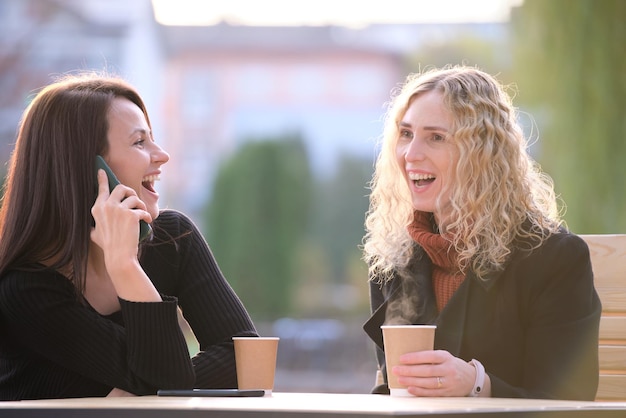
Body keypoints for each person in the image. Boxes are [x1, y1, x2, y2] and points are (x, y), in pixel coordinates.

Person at [0, 73, 258, 400]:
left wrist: (141, 389)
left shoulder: (173, 239)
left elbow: (244, 358)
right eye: (140, 142)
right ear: (89, 170)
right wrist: (124, 265)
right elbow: (168, 378)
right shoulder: (27, 291)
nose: (161, 155)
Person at [362, 66, 601, 400]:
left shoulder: (554, 258)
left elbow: (570, 398)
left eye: (436, 137)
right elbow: (393, 388)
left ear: (482, 154)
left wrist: (478, 385)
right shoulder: (392, 258)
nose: (411, 154)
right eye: (406, 134)